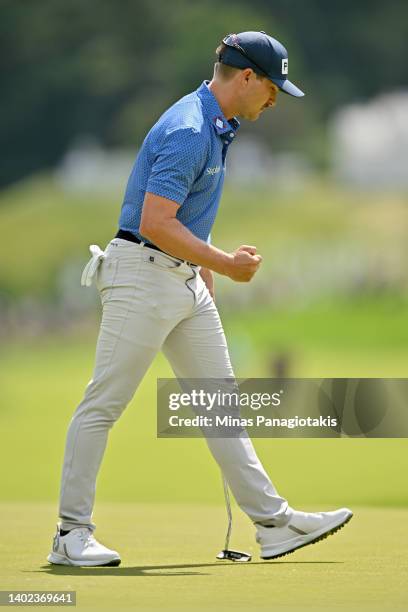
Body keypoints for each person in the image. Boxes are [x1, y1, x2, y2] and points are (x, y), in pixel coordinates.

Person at [47, 31, 352, 567]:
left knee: (220, 408)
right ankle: (71, 534)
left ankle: (273, 524)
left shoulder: (216, 125)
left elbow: (179, 221)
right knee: (104, 404)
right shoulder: (190, 128)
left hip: (180, 280)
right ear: (247, 78)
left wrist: (204, 272)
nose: (275, 99)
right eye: (272, 87)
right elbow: (154, 222)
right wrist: (226, 266)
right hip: (141, 275)